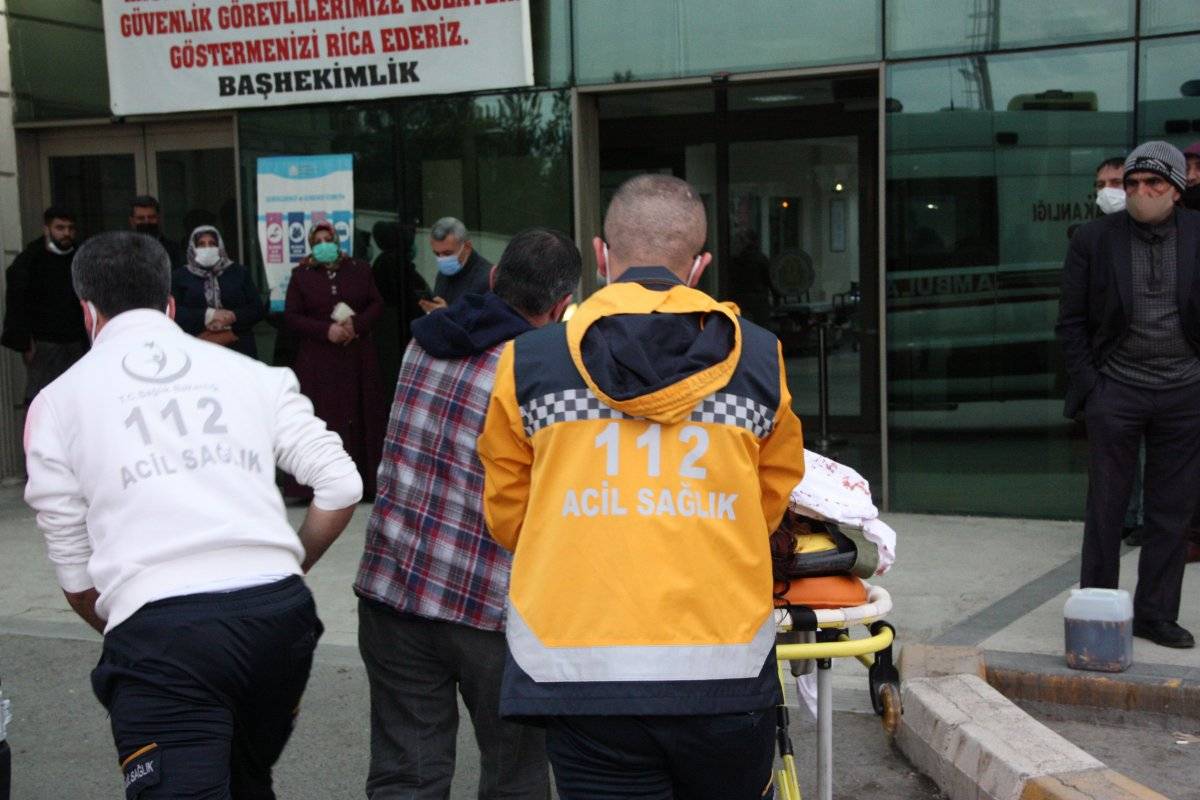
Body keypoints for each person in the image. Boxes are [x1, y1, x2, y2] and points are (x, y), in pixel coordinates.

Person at [477, 174, 806, 798]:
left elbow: (509, 517)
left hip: (579, 675)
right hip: (726, 670)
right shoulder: (759, 357)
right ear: (699, 266)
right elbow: (771, 496)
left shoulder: (531, 361)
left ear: (601, 257)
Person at [23, 231, 363, 798]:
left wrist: (134, 619)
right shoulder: (255, 376)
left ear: (88, 311)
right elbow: (341, 483)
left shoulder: (58, 402)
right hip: (278, 623)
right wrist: (285, 565)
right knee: (247, 779)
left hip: (162, 636)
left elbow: (77, 576)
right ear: (171, 303)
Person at [355, 227, 580, 799]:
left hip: (393, 591)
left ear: (495, 277)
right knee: (515, 776)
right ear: (561, 308)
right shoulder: (537, 372)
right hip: (490, 608)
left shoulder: (422, 342)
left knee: (407, 773)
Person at [1056, 141, 1200, 649]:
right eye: (1132, 183)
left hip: (1185, 391)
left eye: (1153, 184)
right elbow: (1071, 322)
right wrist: (1093, 388)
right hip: (1116, 388)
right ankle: (1099, 607)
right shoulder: (1094, 239)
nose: (1140, 193)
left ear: (1177, 190)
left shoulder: (1198, 235)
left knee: (1171, 509)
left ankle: (1155, 615)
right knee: (1106, 507)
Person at [284, 220, 386, 502]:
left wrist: (356, 325)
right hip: (319, 361)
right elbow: (292, 316)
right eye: (318, 242)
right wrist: (325, 331)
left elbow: (377, 304)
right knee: (324, 419)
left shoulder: (359, 270)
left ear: (338, 242)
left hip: (357, 358)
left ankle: (365, 484)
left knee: (360, 415)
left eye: (328, 239)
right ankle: (317, 485)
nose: (324, 245)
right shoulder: (302, 274)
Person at [1, 207, 87, 404]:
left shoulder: (81, 257)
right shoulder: (30, 261)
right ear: (47, 229)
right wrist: (25, 342)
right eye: (60, 228)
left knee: (78, 397)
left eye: (70, 228)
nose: (66, 233)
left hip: (77, 340)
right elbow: (17, 302)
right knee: (42, 397)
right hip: (45, 342)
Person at [172, 225, 266, 359]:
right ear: (193, 248)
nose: (207, 248)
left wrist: (232, 316)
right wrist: (208, 315)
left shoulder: (238, 272)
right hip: (198, 349)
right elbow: (174, 313)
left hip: (238, 348)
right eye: (201, 244)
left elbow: (257, 308)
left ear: (220, 246)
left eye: (212, 244)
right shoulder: (180, 276)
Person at [419, 217, 492, 312]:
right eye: (437, 254)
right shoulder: (443, 274)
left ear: (467, 247)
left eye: (448, 253)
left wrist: (447, 314)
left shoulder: (488, 279)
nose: (442, 259)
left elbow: (485, 323)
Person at [130, 195, 184, 267]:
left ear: (159, 219)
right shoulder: (123, 251)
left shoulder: (175, 251)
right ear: (132, 221)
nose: (147, 222)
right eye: (141, 218)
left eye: (151, 217)